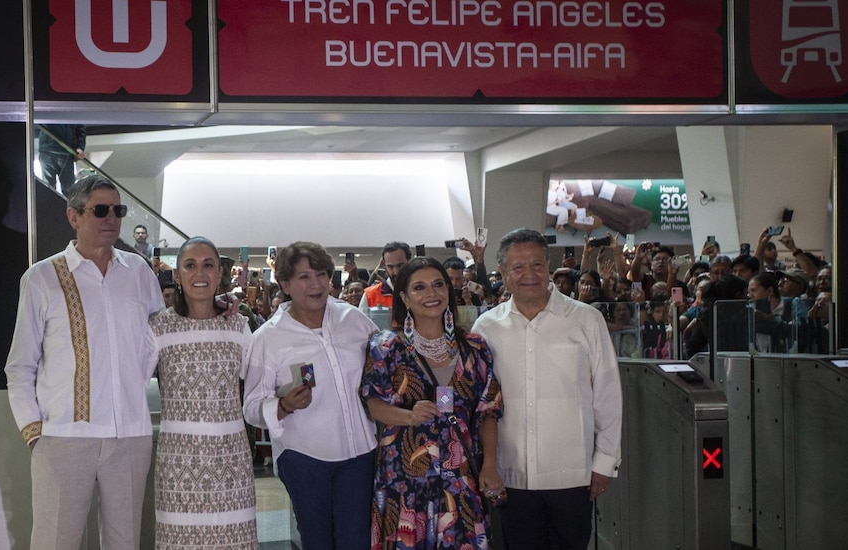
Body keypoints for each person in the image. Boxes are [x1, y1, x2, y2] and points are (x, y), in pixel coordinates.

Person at [4, 175, 162, 549]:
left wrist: (216, 311)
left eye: (117, 210)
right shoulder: (42, 277)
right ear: (73, 217)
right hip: (63, 436)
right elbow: (20, 365)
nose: (111, 218)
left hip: (130, 433)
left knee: (125, 541)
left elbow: (162, 335)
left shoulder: (138, 272)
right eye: (100, 210)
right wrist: (33, 431)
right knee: (55, 540)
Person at [472, 229, 622, 550]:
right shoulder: (486, 327)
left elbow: (608, 395)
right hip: (511, 476)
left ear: (549, 266)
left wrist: (605, 462)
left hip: (573, 475)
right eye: (518, 267)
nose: (529, 274)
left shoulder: (586, 320)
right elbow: (480, 402)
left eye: (537, 265)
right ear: (503, 274)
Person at [243, 241, 379, 549]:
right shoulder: (268, 338)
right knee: (317, 541)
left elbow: (385, 366)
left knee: (356, 540)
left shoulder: (353, 319)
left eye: (321, 274)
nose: (315, 284)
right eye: (304, 277)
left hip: (359, 452)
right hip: (304, 457)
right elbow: (250, 407)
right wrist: (283, 405)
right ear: (285, 284)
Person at [361, 257, 504, 549]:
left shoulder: (474, 347)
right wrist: (408, 416)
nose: (432, 293)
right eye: (420, 287)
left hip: (461, 477)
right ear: (404, 297)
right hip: (403, 478)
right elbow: (372, 404)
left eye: (439, 285)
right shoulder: (387, 347)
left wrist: (490, 464)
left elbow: (488, 410)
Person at [148, 236, 257, 548]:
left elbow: (259, 379)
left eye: (208, 265)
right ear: (179, 275)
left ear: (219, 274)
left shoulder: (237, 325)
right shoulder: (159, 327)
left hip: (231, 462)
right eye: (190, 265)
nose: (200, 273)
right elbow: (132, 377)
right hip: (179, 467)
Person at [360, 242, 413, 310]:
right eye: (390, 267)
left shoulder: (422, 291)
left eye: (400, 266)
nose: (395, 272)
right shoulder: (370, 295)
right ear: (385, 266)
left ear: (409, 262)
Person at [37, 124, 88, 194]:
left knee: (68, 190)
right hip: (53, 150)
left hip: (59, 150)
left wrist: (80, 147)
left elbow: (80, 125)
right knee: (51, 188)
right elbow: (80, 125)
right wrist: (80, 146)